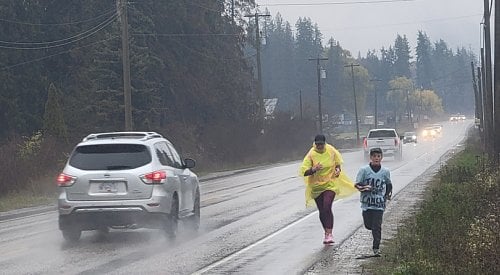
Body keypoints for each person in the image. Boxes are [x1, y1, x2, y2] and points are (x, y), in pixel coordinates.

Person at [300, 134, 357, 244]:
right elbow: (304, 171)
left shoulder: (331, 150)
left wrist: (337, 170)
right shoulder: (311, 154)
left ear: (325, 143)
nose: (319, 146)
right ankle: (326, 232)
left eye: (321, 144)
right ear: (315, 144)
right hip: (316, 186)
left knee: (327, 206)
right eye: (317, 144)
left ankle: (329, 233)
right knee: (322, 210)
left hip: (330, 184)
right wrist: (313, 169)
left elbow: (337, 163)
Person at [354, 147, 393, 256]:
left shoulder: (385, 171)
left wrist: (387, 195)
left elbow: (389, 184)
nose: (376, 158)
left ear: (381, 157)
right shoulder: (364, 170)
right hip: (367, 204)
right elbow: (357, 184)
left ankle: (376, 248)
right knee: (368, 225)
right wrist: (365, 187)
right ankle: (372, 230)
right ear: (370, 157)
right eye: (374, 156)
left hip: (379, 204)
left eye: (378, 156)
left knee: (377, 227)